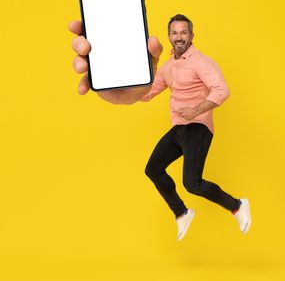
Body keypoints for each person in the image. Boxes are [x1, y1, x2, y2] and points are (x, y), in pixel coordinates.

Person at [68, 14, 251, 241]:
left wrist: (195, 111)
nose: (179, 37)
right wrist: (119, 82)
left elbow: (222, 90)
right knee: (153, 169)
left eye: (184, 32)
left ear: (192, 35)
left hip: (198, 127)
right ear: (169, 36)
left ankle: (237, 205)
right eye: (174, 33)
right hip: (179, 129)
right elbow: (147, 94)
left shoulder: (201, 62)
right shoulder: (167, 67)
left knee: (191, 183)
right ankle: (182, 213)